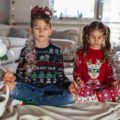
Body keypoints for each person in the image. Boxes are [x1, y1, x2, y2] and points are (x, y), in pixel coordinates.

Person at [3, 5, 75, 106]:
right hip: (30, 87)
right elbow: (20, 76)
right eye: (37, 28)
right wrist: (13, 78)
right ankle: (46, 99)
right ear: (31, 31)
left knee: (72, 97)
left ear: (50, 31)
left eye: (45, 28)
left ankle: (34, 101)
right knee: (7, 87)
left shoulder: (57, 51)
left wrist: (69, 85)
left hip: (52, 87)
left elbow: (61, 77)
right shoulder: (25, 51)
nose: (41, 31)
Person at [69, 20, 120, 103]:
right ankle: (98, 97)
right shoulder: (81, 53)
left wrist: (113, 82)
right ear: (87, 36)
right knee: (72, 89)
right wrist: (79, 81)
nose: (96, 40)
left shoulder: (106, 54)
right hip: (85, 87)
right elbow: (76, 73)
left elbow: (108, 75)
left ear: (104, 38)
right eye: (93, 37)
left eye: (99, 37)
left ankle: (93, 98)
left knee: (117, 89)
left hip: (101, 87)